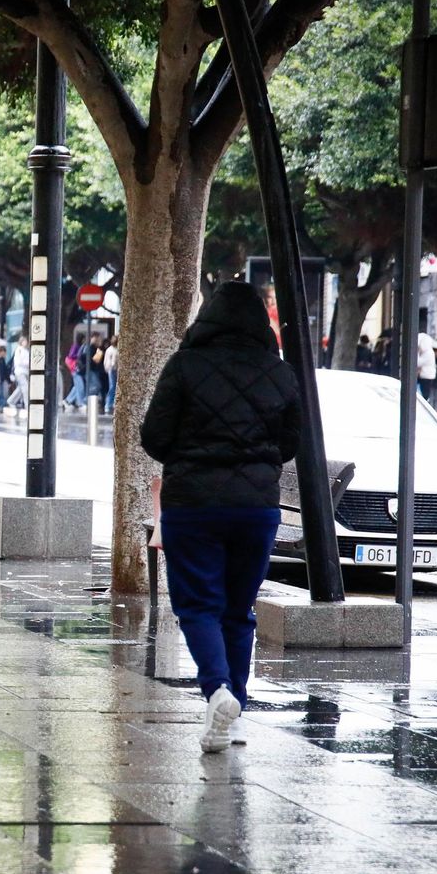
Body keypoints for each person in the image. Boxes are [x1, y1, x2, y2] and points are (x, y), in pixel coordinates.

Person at [140, 280, 300, 755]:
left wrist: (190, 455)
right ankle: (234, 712)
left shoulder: (185, 365)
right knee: (238, 610)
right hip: (256, 511)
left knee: (198, 606)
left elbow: (154, 437)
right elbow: (290, 442)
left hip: (193, 506)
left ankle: (217, 692)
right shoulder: (280, 372)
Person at [417, 330, 437, 400]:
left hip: (426, 376)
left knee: (425, 394)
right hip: (423, 376)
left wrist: (416, 353)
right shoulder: (426, 352)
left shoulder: (428, 353)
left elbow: (418, 362)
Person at [10, 336, 31, 415]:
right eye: (24, 341)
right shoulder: (19, 350)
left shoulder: (26, 350)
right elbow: (18, 362)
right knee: (25, 388)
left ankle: (11, 401)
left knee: (20, 389)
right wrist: (27, 363)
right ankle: (27, 406)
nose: (25, 342)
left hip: (25, 372)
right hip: (20, 372)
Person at [103, 337, 119, 414]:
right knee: (112, 386)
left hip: (112, 369)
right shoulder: (113, 350)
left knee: (113, 386)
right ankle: (108, 404)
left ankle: (110, 403)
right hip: (112, 369)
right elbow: (111, 361)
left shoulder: (110, 349)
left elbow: (106, 360)